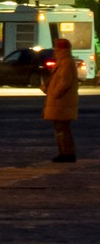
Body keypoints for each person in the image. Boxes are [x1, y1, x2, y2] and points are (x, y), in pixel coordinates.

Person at [44, 35, 80, 163]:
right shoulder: (64, 62)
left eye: (56, 49)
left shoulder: (66, 63)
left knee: (62, 129)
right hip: (61, 102)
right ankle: (65, 153)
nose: (54, 51)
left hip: (62, 103)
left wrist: (54, 93)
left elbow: (64, 83)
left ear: (60, 50)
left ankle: (66, 154)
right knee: (62, 129)